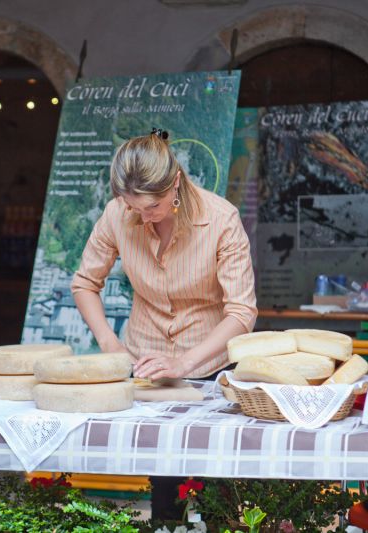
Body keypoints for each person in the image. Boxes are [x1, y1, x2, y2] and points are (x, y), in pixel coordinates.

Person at [70, 130, 257, 519]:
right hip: (146, 367)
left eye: (152, 206)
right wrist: (108, 342)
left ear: (175, 183)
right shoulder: (117, 215)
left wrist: (186, 363)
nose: (142, 215)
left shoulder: (221, 220)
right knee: (165, 483)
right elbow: (85, 283)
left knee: (218, 485)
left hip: (210, 366)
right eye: (132, 206)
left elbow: (241, 312)